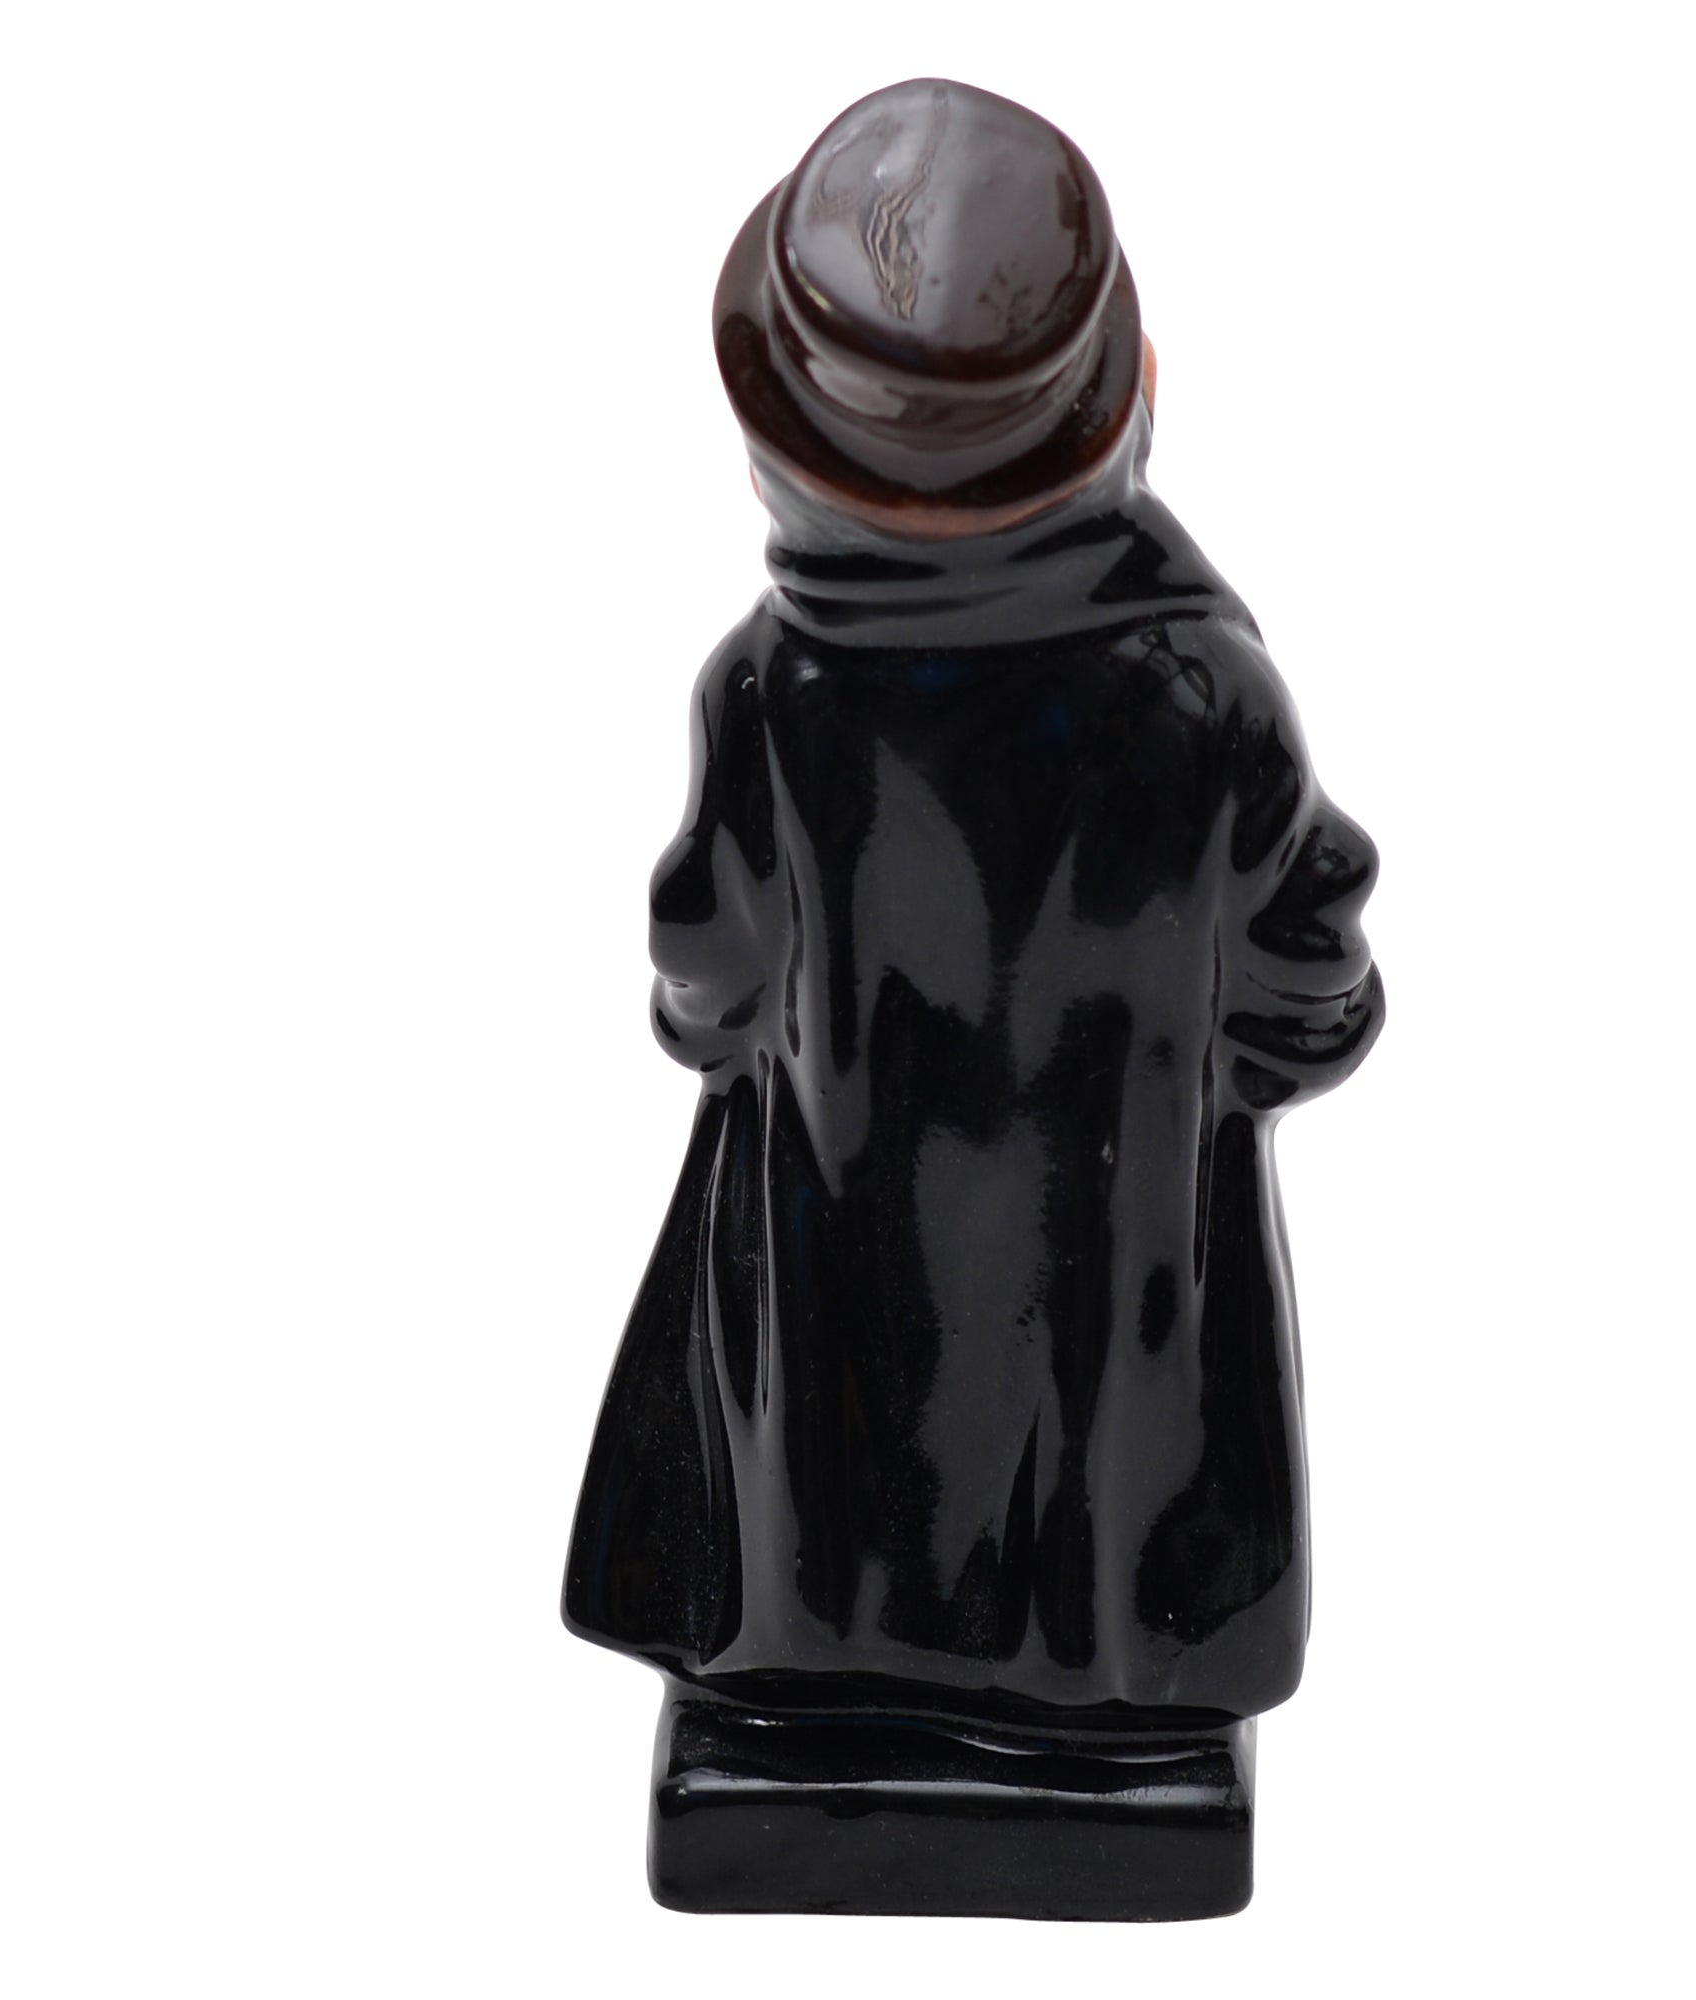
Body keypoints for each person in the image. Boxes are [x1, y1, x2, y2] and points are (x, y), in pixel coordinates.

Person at [562, 77, 1384, 1913]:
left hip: (841, 1223)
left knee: (833, 1465)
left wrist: (728, 1032)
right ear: (1133, 405)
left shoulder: (773, 694)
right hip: (1123, 1262)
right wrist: (1227, 1076)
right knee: (1104, 1465)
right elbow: (1313, 960)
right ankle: (1090, 1710)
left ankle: (827, 1687)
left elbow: (703, 974)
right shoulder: (1206, 698)